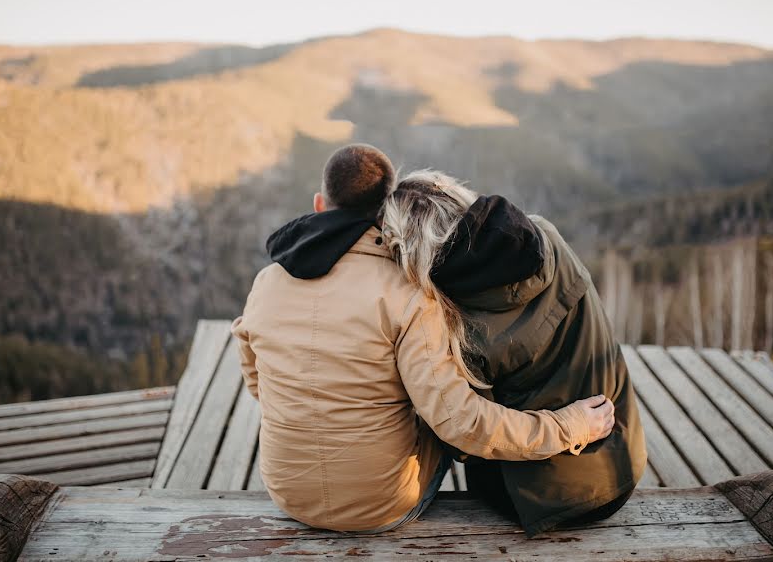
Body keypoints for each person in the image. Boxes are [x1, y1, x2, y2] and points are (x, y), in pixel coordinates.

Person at [232, 144, 616, 533]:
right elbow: (461, 424)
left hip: (288, 494)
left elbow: (257, 381)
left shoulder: (266, 283)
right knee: (439, 408)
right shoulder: (409, 293)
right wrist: (569, 427)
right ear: (389, 210)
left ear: (319, 204)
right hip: (382, 505)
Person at [381, 170, 647, 536]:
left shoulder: (460, 326)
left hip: (544, 496)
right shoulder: (543, 235)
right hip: (622, 460)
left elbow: (470, 442)